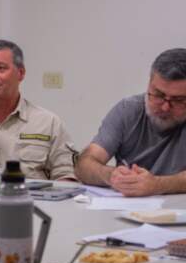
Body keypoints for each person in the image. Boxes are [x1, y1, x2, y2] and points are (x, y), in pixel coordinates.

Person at [75, 48, 186, 196]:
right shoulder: (128, 110)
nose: (165, 107)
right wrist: (111, 176)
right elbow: (84, 165)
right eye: (158, 95)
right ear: (149, 83)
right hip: (127, 212)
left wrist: (157, 185)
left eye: (178, 100)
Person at [0, 39, 76, 180]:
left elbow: (67, 177)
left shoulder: (48, 123)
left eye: (0, 68)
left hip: (30, 201)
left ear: (20, 73)